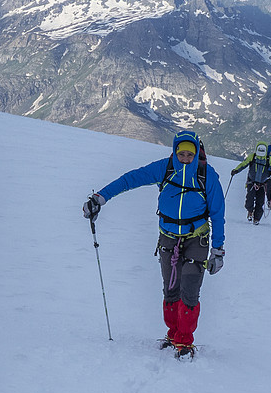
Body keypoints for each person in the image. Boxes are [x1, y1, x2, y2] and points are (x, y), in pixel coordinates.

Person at [83, 130, 225, 357]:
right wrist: (101, 198)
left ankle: (185, 341)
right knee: (170, 290)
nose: (185, 158)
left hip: (196, 239)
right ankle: (173, 334)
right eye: (181, 154)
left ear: (196, 153)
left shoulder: (207, 175)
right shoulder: (164, 168)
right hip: (168, 237)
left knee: (189, 291)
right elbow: (131, 179)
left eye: (190, 154)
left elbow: (217, 213)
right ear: (175, 152)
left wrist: (218, 250)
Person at [231, 141, 271, 224]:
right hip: (252, 182)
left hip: (262, 184)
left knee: (260, 202)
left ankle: (256, 218)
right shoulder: (253, 157)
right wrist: (236, 170)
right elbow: (244, 164)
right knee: (249, 200)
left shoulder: (268, 159)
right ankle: (250, 211)